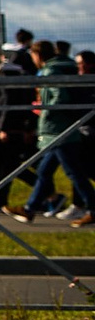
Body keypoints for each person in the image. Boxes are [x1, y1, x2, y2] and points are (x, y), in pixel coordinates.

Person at [23, 42, 92, 223]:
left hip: (58, 130)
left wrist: (45, 109)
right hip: (64, 128)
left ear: (38, 54)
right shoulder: (68, 68)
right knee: (45, 171)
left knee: (74, 172)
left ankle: (93, 207)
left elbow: (59, 97)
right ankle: (30, 208)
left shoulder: (51, 71)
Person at [0, 41, 39, 217]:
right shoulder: (2, 73)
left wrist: (3, 128)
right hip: (5, 126)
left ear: (0, 55)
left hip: (7, 128)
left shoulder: (7, 73)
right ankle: (45, 193)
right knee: (7, 166)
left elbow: (8, 103)